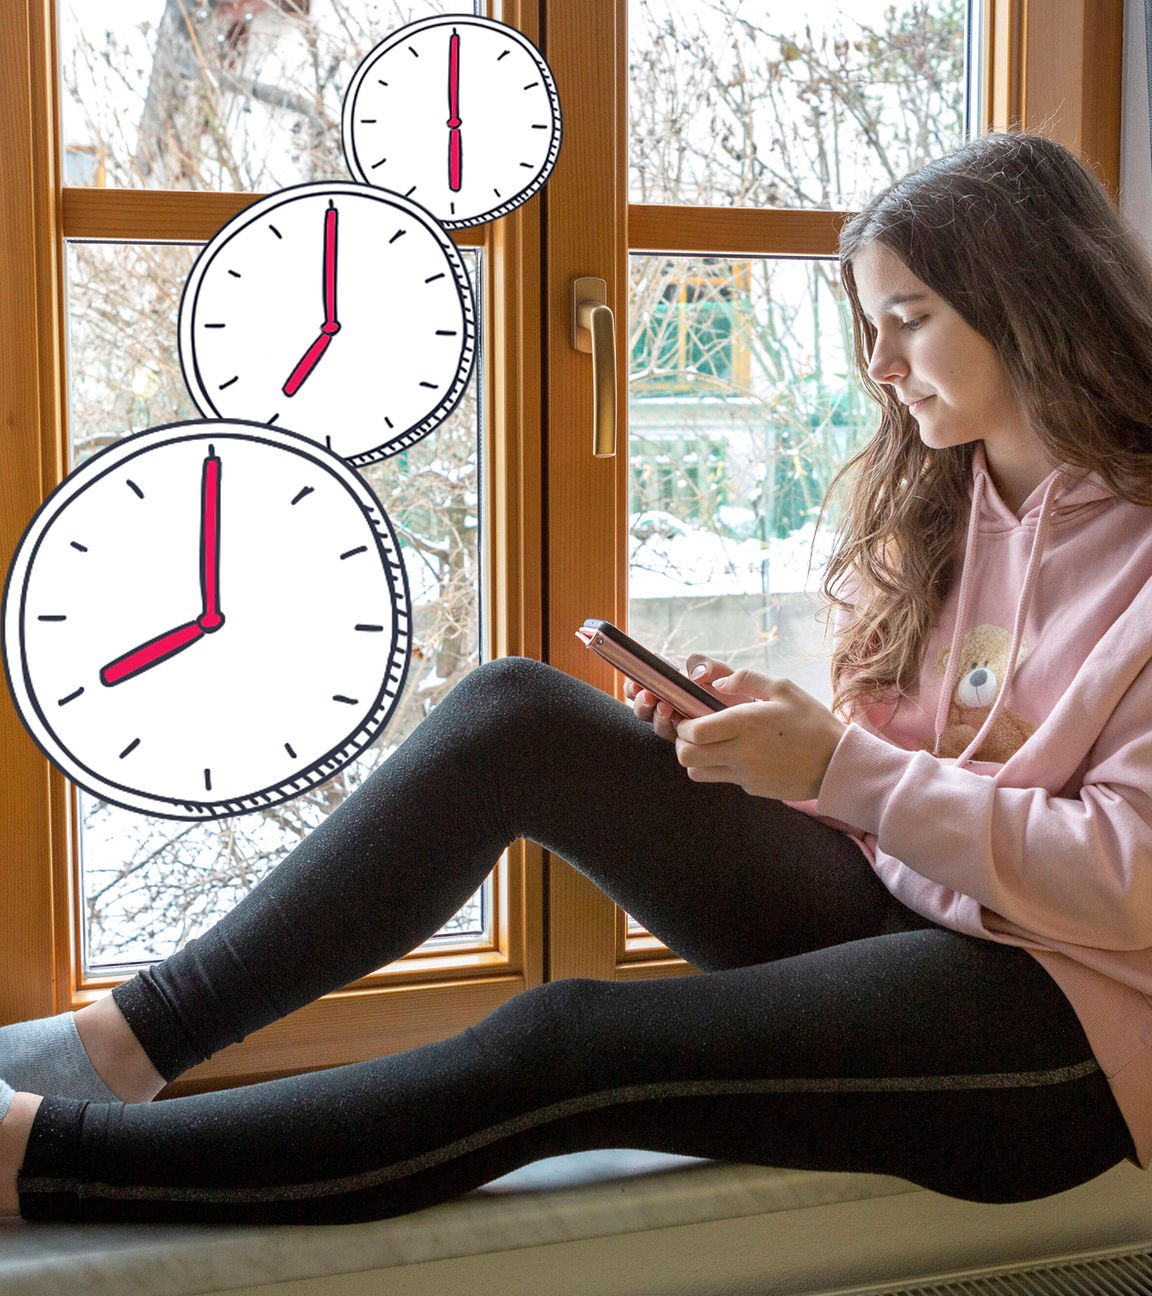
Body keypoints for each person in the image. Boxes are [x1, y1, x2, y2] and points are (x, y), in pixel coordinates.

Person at [3, 129, 1151, 1225]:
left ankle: (43, 1161)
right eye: (869, 323)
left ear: (1030, 305)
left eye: (910, 319)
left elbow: (1125, 881)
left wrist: (844, 768)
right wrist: (767, 749)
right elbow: (894, 794)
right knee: (519, 713)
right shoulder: (938, 513)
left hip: (1068, 1025)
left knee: (564, 1042)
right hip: (907, 910)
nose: (878, 365)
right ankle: (112, 1050)